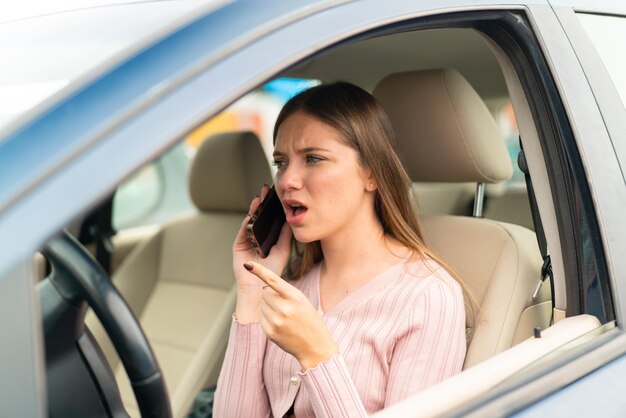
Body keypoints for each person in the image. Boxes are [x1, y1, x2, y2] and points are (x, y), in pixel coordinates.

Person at [213, 82, 466, 418]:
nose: (287, 180)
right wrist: (250, 291)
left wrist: (317, 355)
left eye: (313, 159)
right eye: (281, 162)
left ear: (372, 173)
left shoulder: (427, 297)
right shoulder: (289, 285)